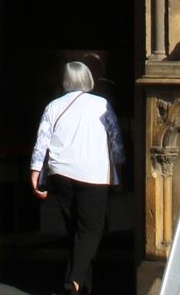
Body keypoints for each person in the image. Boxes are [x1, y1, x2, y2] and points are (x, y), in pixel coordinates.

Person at [30, 61, 125, 295]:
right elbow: (115, 139)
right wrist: (120, 167)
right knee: (92, 229)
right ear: (88, 79)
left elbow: (42, 141)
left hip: (61, 172)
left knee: (76, 230)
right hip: (94, 172)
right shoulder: (101, 104)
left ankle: (82, 286)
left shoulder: (53, 106)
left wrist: (35, 171)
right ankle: (74, 280)